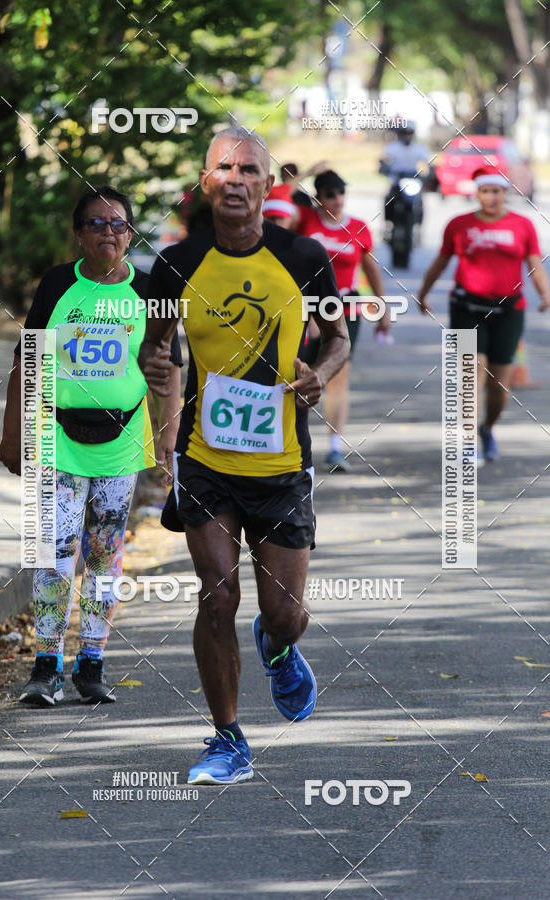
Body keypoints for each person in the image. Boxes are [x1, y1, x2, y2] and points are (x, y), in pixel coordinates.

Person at [138, 126, 349, 785]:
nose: (234, 178)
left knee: (285, 612)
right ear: (205, 183)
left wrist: (320, 371)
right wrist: (161, 415)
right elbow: (160, 349)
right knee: (216, 594)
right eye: (222, 168)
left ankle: (278, 647)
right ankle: (227, 739)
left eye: (247, 169)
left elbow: (340, 337)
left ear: (267, 184)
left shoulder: (305, 256)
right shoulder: (177, 263)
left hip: (282, 459)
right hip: (206, 455)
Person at [0, 185, 182, 706]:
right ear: (79, 234)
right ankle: (46, 666)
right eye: (97, 223)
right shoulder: (58, 284)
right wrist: (14, 436)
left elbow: (171, 371)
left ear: (130, 233)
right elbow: (27, 360)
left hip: (121, 441)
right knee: (53, 552)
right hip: (55, 434)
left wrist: (168, 439)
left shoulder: (150, 291)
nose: (109, 232)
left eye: (119, 224)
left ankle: (93, 663)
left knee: (105, 553)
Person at [417, 165, 549, 460]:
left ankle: (487, 428)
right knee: (471, 373)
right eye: (485, 191)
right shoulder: (459, 224)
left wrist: (544, 293)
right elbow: (441, 262)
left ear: (505, 193)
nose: (491, 197)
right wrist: (423, 293)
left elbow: (534, 263)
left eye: (496, 191)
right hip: (467, 307)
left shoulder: (522, 225)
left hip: (508, 309)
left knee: (499, 385)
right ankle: (468, 441)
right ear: (477, 193)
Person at [295, 169, 390, 472]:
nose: (337, 199)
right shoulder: (305, 222)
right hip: (305, 312)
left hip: (345, 314)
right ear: (318, 198)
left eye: (341, 193)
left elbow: (371, 269)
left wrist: (382, 306)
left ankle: (336, 447)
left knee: (338, 378)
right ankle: (295, 445)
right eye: (330, 194)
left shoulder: (359, 228)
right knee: (300, 375)